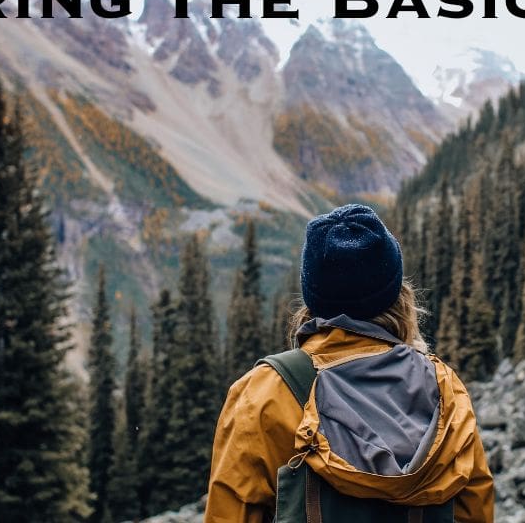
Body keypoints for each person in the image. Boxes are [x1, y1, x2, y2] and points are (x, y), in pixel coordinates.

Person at [206, 204, 495, 523]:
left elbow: (231, 513)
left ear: (313, 297)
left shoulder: (263, 394)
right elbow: (474, 510)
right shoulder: (444, 389)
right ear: (398, 295)